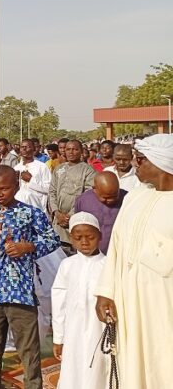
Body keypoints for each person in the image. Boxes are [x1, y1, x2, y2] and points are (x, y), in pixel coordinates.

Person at [95, 134, 173, 389]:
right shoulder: (134, 197)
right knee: (132, 363)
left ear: (161, 164)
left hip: (163, 304)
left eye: (141, 160)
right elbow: (116, 248)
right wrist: (105, 292)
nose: (134, 165)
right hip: (128, 300)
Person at [0, 165, 60, 389]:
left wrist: (28, 247)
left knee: (28, 350)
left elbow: (52, 240)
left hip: (19, 292)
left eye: (4, 188)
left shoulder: (30, 213)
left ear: (16, 186)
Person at [52, 212, 108, 389]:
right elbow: (58, 302)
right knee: (73, 369)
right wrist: (58, 337)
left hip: (100, 331)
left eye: (90, 237)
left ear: (100, 236)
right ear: (71, 238)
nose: (84, 242)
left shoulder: (108, 265)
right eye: (78, 238)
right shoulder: (67, 265)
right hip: (73, 332)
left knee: (98, 370)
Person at [49, 140, 96, 252]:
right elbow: (52, 191)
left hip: (75, 219)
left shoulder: (88, 170)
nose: (71, 152)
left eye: (75, 149)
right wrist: (56, 212)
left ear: (81, 151)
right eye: (68, 149)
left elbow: (88, 197)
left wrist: (69, 216)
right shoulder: (59, 169)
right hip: (58, 220)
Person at [74, 171, 126, 255]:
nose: (110, 200)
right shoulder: (83, 201)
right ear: (95, 189)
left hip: (119, 252)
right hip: (92, 254)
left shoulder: (127, 198)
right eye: (105, 198)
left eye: (114, 196)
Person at [14, 139, 52, 213]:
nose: (24, 149)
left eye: (27, 147)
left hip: (37, 208)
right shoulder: (16, 168)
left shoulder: (42, 167)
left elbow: (49, 189)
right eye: (22, 147)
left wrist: (31, 180)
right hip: (19, 209)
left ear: (34, 149)